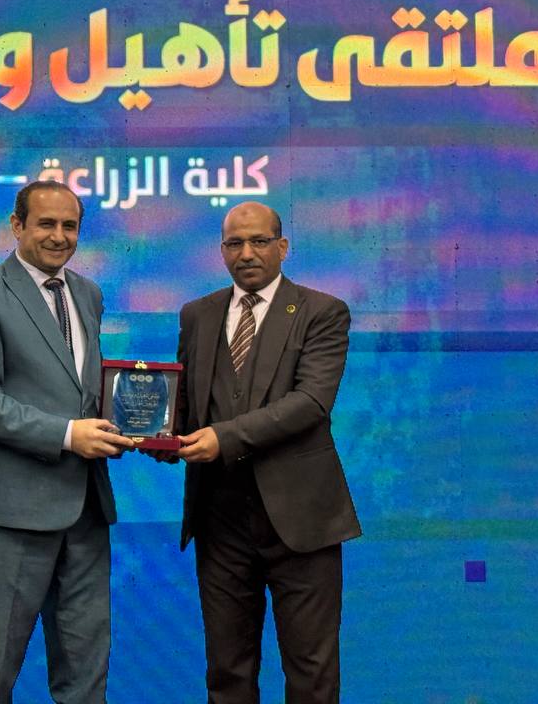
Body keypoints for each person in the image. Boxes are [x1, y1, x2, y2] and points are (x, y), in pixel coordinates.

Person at [0, 180, 136, 704]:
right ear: (16, 225)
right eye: (45, 223)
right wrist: (70, 435)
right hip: (8, 514)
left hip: (87, 510)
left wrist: (136, 428)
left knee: (86, 676)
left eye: (69, 226)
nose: (58, 236)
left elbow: (82, 392)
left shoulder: (88, 294)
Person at [171, 201, 361, 704]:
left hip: (301, 522)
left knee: (312, 674)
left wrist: (222, 438)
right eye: (235, 243)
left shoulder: (322, 311)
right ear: (222, 251)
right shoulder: (197, 314)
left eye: (259, 241)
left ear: (283, 246)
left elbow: (311, 403)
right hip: (220, 523)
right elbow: (186, 405)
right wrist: (158, 438)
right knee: (227, 673)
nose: (247, 253)